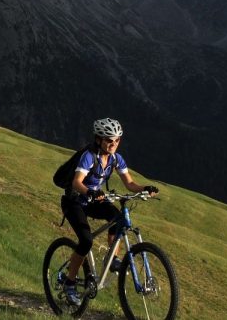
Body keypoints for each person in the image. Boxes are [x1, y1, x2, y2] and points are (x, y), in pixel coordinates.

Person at [59, 118, 159, 306]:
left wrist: (145, 188)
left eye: (117, 140)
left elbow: (129, 183)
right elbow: (76, 182)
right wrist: (90, 191)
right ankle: (70, 283)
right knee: (86, 241)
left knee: (119, 218)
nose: (113, 144)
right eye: (109, 140)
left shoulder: (115, 159)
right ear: (99, 140)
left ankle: (111, 259)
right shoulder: (89, 156)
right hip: (75, 202)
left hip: (94, 201)